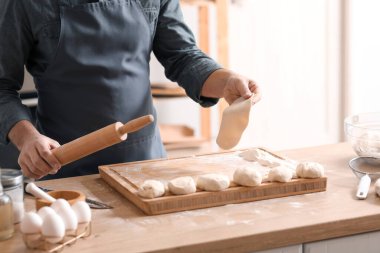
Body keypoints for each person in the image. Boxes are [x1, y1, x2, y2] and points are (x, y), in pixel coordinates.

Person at [0, 0, 261, 180]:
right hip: (63, 171)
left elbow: (183, 57)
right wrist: (27, 139)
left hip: (145, 167)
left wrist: (225, 80)